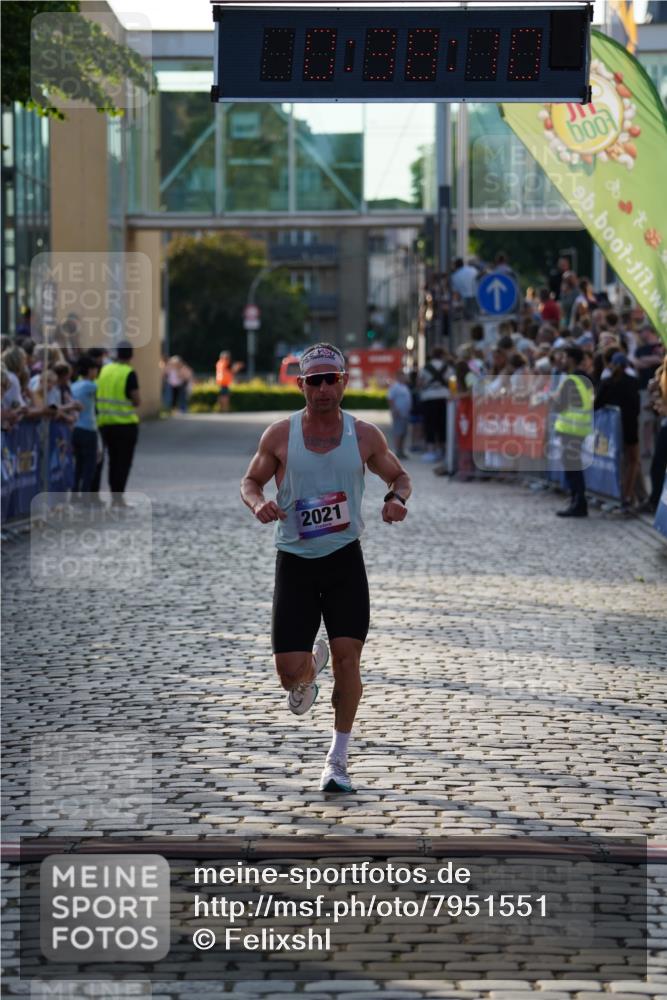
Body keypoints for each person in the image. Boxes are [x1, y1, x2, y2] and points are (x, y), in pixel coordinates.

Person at [240, 342, 411, 795]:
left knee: (349, 659)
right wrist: (259, 503)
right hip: (294, 562)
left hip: (343, 562)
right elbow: (250, 480)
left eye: (329, 379)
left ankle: (337, 761)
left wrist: (395, 500)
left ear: (343, 383)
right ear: (300, 385)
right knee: (288, 675)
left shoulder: (366, 435)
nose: (321, 389)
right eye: (312, 381)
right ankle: (307, 672)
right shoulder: (279, 434)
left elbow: (400, 476)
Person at [595, 351, 641, 513]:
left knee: (617, 462)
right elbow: (636, 406)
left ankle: (620, 495)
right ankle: (627, 496)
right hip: (630, 427)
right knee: (632, 462)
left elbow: (596, 404)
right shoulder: (632, 382)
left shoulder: (608, 382)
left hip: (612, 430)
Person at [96, 343, 140, 507]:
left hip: (104, 423)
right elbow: (136, 399)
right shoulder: (128, 372)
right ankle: (117, 497)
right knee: (121, 462)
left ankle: (97, 495)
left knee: (104, 461)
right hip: (125, 425)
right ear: (130, 356)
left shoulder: (105, 370)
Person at [552, 345, 594, 518]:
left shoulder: (571, 380)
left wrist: (555, 399)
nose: (562, 360)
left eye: (564, 357)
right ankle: (578, 502)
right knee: (575, 467)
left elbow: (561, 405)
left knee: (572, 468)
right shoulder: (585, 378)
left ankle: (578, 504)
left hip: (570, 429)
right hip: (581, 428)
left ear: (571, 359)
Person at [70, 354, 101, 501]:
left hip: (75, 428)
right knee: (90, 465)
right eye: (95, 369)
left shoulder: (74, 385)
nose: (97, 373)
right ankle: (86, 495)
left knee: (78, 464)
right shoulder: (91, 386)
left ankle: (74, 492)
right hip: (88, 429)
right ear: (90, 370)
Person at [419, 346, 451, 462]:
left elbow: (420, 383)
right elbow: (450, 381)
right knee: (442, 424)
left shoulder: (426, 367)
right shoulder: (446, 367)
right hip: (444, 397)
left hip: (429, 397)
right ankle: (442, 450)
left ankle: (431, 450)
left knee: (430, 424)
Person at [387, 370, 412, 459]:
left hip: (405, 413)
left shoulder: (405, 387)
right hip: (398, 413)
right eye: (403, 376)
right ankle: (397, 451)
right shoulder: (395, 387)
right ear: (398, 377)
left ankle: (401, 450)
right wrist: (394, 410)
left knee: (404, 433)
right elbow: (390, 399)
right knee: (398, 432)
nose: (405, 378)